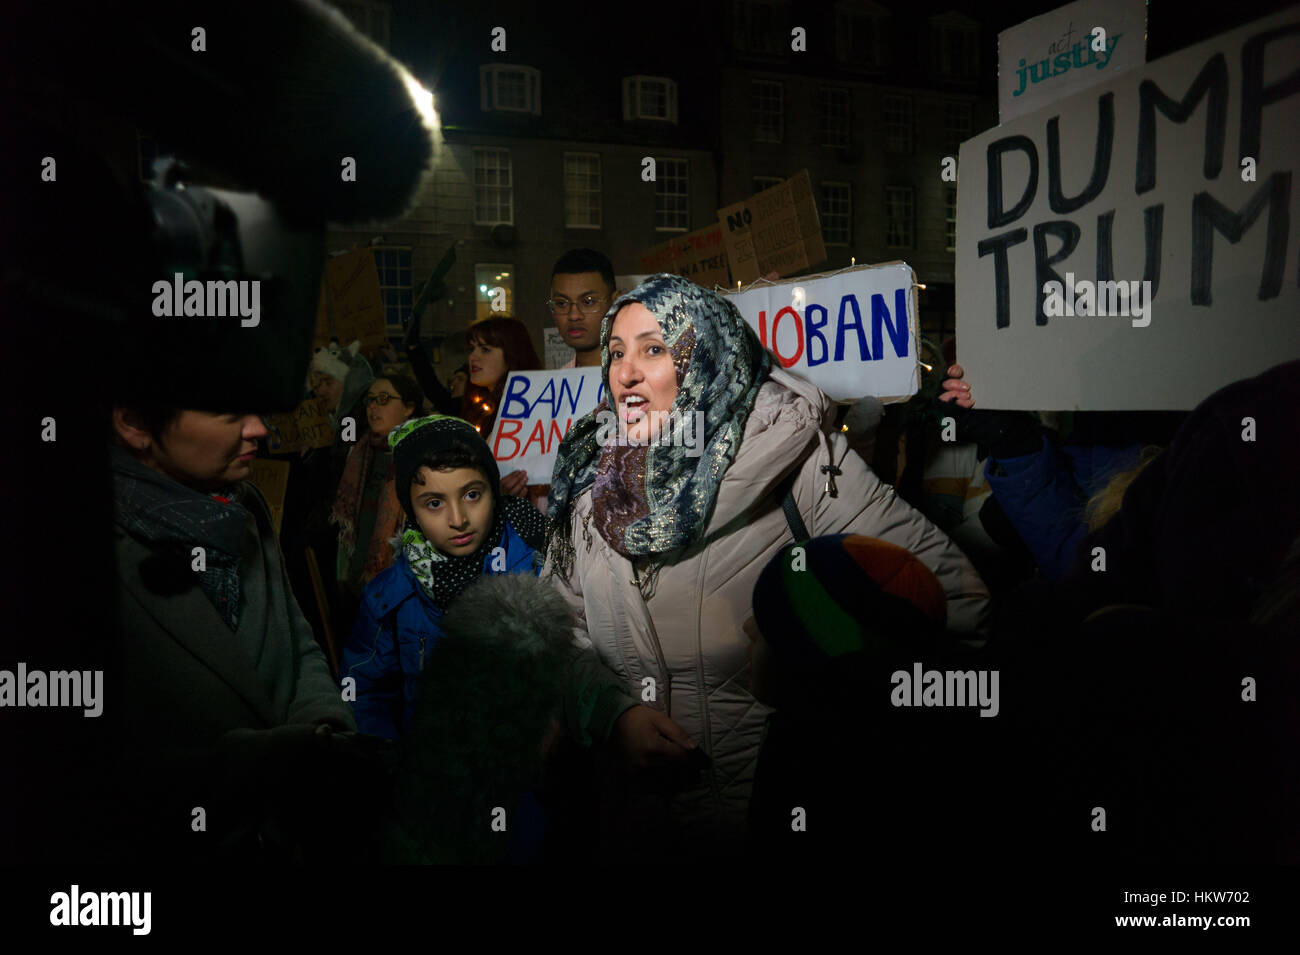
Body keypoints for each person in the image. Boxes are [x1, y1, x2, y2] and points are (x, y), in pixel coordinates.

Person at [542, 273, 991, 856]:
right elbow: (551, 634)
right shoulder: (591, 478)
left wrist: (814, 685)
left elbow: (956, 610)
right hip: (631, 827)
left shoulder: (802, 464)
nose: (625, 372)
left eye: (654, 348)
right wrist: (609, 713)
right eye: (617, 352)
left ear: (706, 355)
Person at [108, 399, 357, 859]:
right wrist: (263, 762)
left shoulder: (244, 504)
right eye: (229, 413)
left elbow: (296, 642)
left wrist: (324, 724)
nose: (260, 429)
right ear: (135, 422)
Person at [338, 414, 547, 739]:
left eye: (472, 495)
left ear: (494, 490)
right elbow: (365, 691)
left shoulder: (539, 565)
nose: (458, 519)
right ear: (412, 511)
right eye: (434, 503)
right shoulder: (391, 595)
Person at [330, 374, 422, 638]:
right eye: (370, 400)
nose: (373, 407)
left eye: (384, 399)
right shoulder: (360, 453)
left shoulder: (420, 454)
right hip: (357, 582)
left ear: (408, 407)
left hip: (402, 587)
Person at [549, 248, 619, 369]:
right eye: (561, 303)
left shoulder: (641, 377)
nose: (574, 316)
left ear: (615, 302)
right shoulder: (555, 383)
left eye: (588, 302)